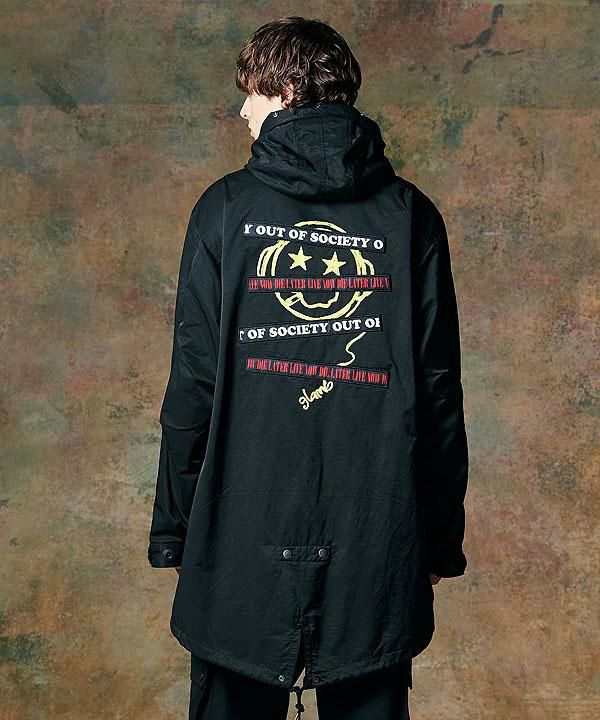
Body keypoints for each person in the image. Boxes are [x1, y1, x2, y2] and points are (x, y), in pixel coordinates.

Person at [147, 15, 469, 720]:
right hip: (376, 537)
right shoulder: (409, 215)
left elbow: (193, 386)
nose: (242, 110)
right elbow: (438, 393)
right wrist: (440, 539)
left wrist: (176, 528)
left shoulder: (225, 209)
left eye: (252, 92)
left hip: (239, 533)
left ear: (288, 91)